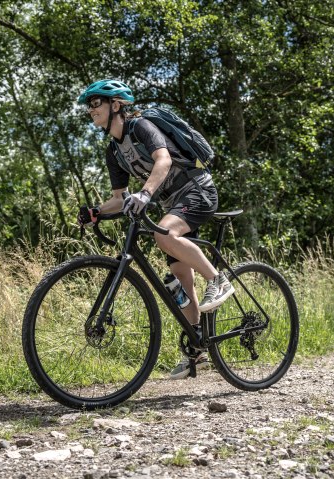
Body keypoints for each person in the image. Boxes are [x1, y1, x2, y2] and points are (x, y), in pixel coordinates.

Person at [77, 79, 234, 379]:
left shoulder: (141, 127)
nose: (91, 110)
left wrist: (146, 194)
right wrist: (96, 211)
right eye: (89, 105)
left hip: (197, 190)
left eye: (96, 103)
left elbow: (162, 161)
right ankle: (198, 346)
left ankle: (219, 279)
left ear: (117, 106)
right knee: (178, 276)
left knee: (164, 234)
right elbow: (118, 199)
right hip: (172, 202)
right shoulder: (114, 152)